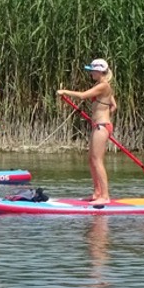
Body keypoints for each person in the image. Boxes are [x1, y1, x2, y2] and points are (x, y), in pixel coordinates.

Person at [57, 57, 118, 207]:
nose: (90, 73)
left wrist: (64, 91)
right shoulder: (102, 86)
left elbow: (84, 96)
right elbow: (114, 106)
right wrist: (101, 112)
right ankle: (97, 193)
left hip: (102, 127)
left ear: (99, 71)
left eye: (92, 71)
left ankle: (105, 196)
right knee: (91, 160)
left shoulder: (103, 86)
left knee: (97, 161)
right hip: (99, 125)